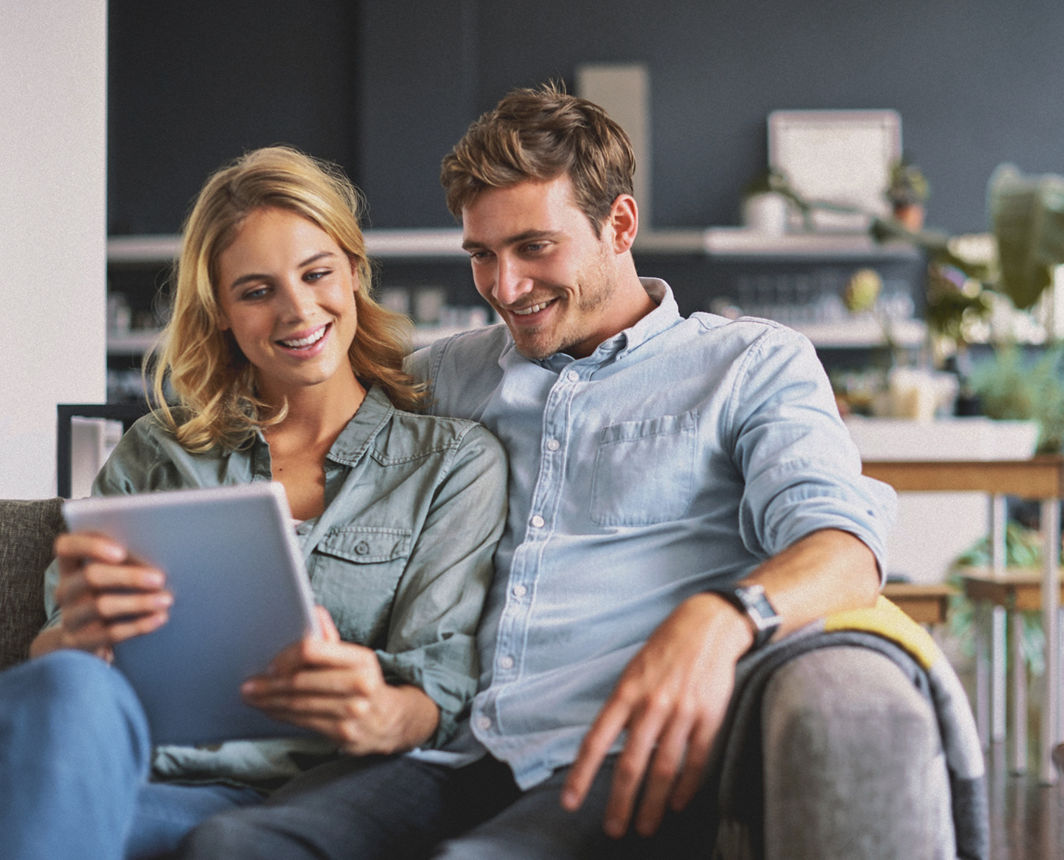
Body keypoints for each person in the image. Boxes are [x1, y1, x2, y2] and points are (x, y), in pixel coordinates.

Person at [178, 85, 924, 859]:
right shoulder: (447, 375)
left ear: (620, 225)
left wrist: (724, 617)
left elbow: (845, 549)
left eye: (534, 247)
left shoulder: (747, 365)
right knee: (230, 845)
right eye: (482, 255)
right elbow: (293, 402)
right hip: (453, 750)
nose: (505, 288)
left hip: (616, 755)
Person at [0, 146, 507, 860]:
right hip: (119, 776)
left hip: (298, 796)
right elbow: (57, 658)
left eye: (317, 273)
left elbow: (441, 688)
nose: (297, 309)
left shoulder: (450, 462)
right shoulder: (157, 452)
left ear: (353, 273)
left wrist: (380, 711)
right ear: (223, 312)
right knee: (67, 691)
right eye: (256, 291)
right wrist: (76, 639)